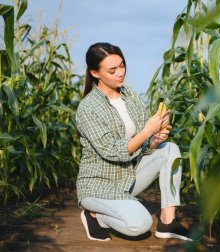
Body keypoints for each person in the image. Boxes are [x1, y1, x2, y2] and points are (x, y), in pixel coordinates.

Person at [75, 42, 192, 242]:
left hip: (127, 177)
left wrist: (153, 140)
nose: (120, 73)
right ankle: (94, 215)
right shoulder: (88, 109)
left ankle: (167, 221)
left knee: (170, 149)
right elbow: (113, 151)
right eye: (112, 70)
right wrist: (148, 130)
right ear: (95, 73)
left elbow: (139, 145)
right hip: (99, 185)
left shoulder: (130, 96)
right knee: (140, 225)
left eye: (122, 66)